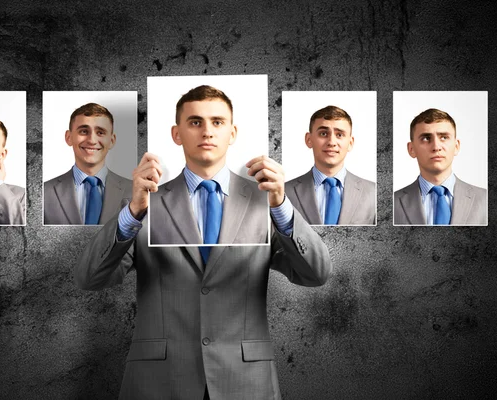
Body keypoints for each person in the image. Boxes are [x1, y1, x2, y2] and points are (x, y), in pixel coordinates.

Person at [75, 85, 332, 400]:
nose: (207, 131)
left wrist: (281, 206)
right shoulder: (145, 204)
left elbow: (316, 273)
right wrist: (132, 211)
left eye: (217, 122)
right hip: (159, 383)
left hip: (245, 381)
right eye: (195, 122)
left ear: (232, 132)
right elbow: (89, 278)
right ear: (177, 133)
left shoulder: (265, 203)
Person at [394, 108, 487, 225]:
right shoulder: (391, 203)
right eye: (426, 138)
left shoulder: (486, 200)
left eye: (444, 137)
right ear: (411, 149)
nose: (436, 147)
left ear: (456, 146)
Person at [285, 105, 376, 225]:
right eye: (323, 134)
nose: (332, 142)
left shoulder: (374, 192)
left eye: (339, 135)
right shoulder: (284, 192)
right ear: (309, 139)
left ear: (350, 143)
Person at [43, 103, 132, 225]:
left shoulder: (135, 191)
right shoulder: (43, 192)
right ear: (69, 137)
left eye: (100, 132)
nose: (92, 140)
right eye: (84, 131)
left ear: (111, 141)